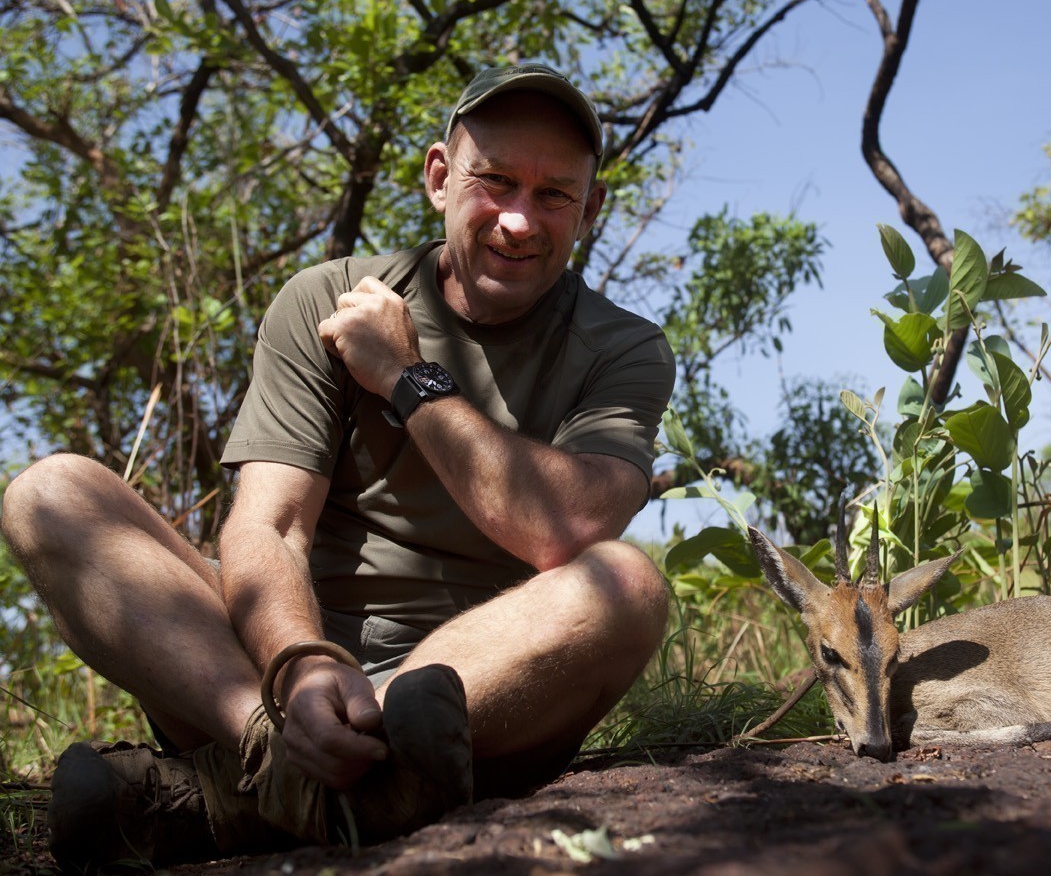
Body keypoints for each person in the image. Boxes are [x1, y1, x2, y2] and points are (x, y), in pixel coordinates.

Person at [0, 63, 675, 869]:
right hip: (270, 673)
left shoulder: (627, 347)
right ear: (438, 177)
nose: (519, 220)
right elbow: (270, 522)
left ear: (589, 209)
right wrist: (298, 669)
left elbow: (567, 527)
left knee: (628, 585)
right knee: (50, 492)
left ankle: (223, 796)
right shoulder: (324, 299)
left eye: (554, 194)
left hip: (471, 698)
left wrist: (405, 377)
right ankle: (283, 759)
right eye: (494, 181)